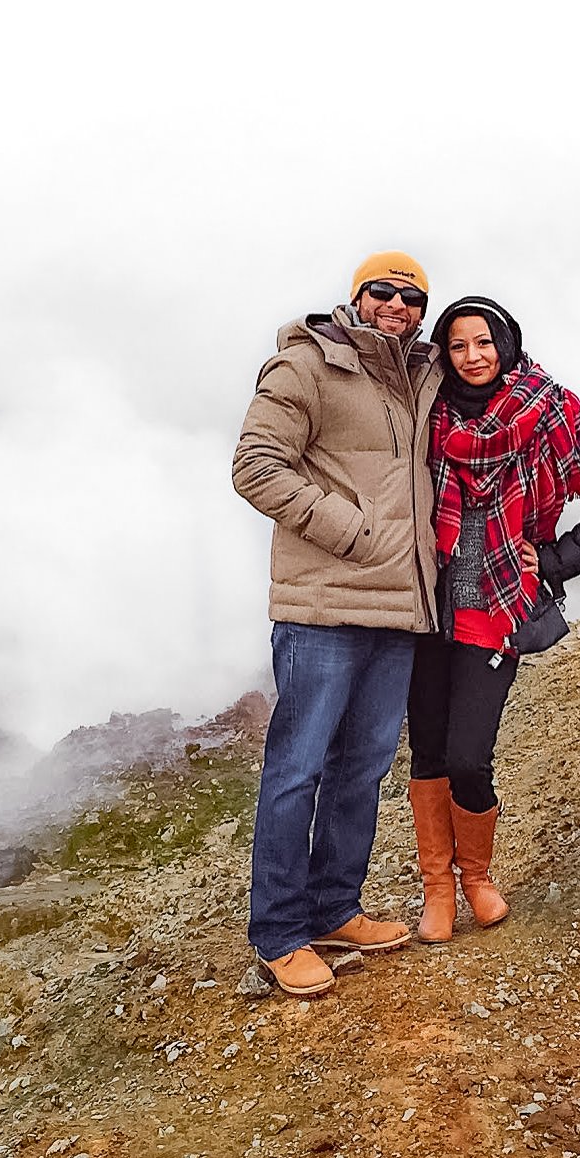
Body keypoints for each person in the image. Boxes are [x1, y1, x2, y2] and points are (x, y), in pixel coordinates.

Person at [231, 252, 443, 997]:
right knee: (298, 769)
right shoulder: (305, 366)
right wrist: (352, 533)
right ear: (356, 299)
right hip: (323, 606)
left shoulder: (422, 373)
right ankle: (280, 933)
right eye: (382, 292)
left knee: (362, 769)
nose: (397, 304)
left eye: (411, 296)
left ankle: (333, 909)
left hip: (399, 610)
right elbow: (255, 465)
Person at [406, 296, 580, 943]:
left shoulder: (553, 410)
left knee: (468, 758)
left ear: (504, 344)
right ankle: (438, 893)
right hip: (425, 604)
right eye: (457, 346)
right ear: (444, 355)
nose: (472, 356)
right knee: (427, 754)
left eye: (483, 343)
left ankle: (476, 877)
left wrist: (554, 561)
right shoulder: (431, 411)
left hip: (497, 606)